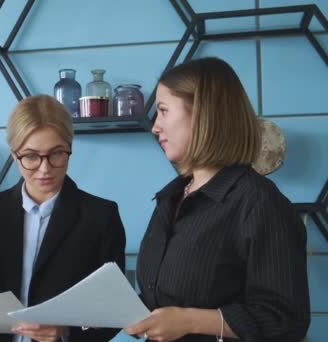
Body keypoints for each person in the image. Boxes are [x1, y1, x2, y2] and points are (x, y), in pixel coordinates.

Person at [125, 57, 310, 341]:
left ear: (202, 115)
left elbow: (284, 320)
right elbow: (163, 296)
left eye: (163, 111)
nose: (155, 127)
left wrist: (189, 321)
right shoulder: (171, 197)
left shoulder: (259, 203)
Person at [0, 95, 126, 342]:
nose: (45, 169)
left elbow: (113, 309)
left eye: (56, 154)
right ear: (14, 153)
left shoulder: (100, 216)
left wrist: (65, 332)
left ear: (70, 147)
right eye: (30, 156)